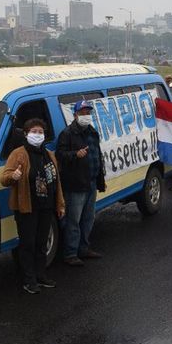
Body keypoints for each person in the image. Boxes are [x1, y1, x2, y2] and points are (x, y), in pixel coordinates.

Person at [1, 118, 65, 294]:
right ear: (26, 134)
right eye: (34, 131)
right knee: (28, 244)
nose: (37, 135)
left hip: (46, 206)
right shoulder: (18, 154)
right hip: (26, 208)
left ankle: (41, 275)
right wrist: (13, 176)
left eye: (40, 132)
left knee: (41, 243)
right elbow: (4, 178)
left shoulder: (49, 154)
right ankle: (29, 280)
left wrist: (60, 204)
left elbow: (56, 182)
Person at [56, 100, 106, 267]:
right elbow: (60, 155)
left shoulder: (92, 132)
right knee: (73, 220)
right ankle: (70, 253)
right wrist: (75, 155)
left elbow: (96, 154)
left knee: (88, 218)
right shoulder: (68, 134)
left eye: (88, 112)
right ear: (75, 114)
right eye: (83, 112)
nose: (86, 115)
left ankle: (83, 248)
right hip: (76, 184)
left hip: (91, 182)